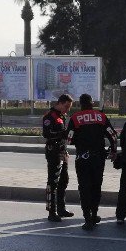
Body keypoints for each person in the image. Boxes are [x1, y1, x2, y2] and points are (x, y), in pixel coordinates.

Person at [67, 94, 117, 231]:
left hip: (82, 159)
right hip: (98, 158)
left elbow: (69, 139)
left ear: (80, 104)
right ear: (92, 103)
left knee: (84, 188)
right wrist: (113, 150)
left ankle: (87, 219)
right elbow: (113, 135)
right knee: (96, 187)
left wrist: (80, 139)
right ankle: (95, 215)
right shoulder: (100, 116)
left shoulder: (75, 118)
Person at [42, 94, 74, 222]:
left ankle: (61, 209)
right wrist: (63, 134)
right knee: (53, 181)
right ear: (60, 103)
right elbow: (46, 134)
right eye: (66, 106)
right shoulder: (50, 116)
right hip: (53, 151)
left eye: (69, 107)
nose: (67, 110)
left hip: (62, 151)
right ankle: (52, 211)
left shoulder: (62, 116)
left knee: (64, 180)